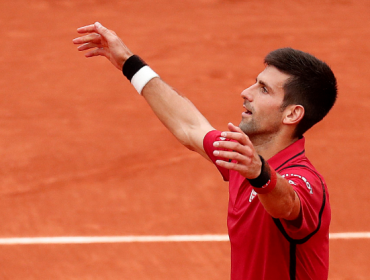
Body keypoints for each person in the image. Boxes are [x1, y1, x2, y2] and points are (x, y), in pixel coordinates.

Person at [73, 22, 337, 280]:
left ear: (292, 113)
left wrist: (259, 174)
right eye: (255, 83)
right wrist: (128, 63)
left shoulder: (304, 180)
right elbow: (190, 126)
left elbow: (288, 204)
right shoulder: (241, 157)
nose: (246, 92)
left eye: (264, 89)